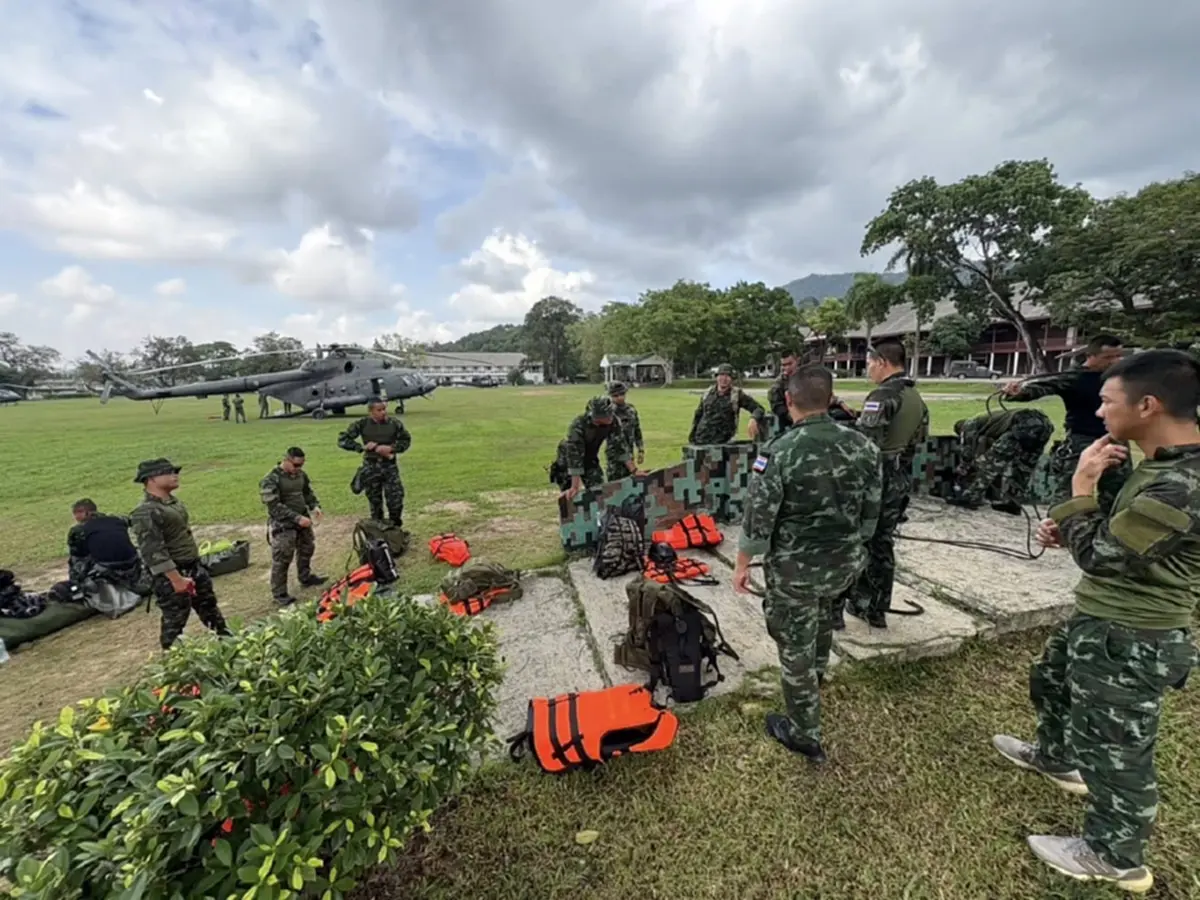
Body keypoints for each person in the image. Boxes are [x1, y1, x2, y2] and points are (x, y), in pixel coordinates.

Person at [992, 349, 1200, 893]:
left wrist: (1080, 493)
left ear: (1148, 405)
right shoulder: (1160, 466)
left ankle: (1116, 855)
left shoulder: (1183, 483)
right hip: (1102, 614)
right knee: (1052, 680)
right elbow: (1121, 541)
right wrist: (1076, 527)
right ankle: (1056, 758)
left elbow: (1106, 555)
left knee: (1117, 749)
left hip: (1132, 633)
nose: (1100, 413)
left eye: (1108, 402)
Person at [733, 365, 882, 764]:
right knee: (823, 619)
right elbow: (871, 514)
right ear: (830, 399)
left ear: (788, 401)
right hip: (845, 564)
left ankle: (804, 732)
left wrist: (742, 565)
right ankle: (816, 677)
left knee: (794, 644)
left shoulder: (780, 451)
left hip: (796, 571)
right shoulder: (864, 446)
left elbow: (758, 519)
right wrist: (856, 549)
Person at [834, 339, 928, 629]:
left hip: (875, 481)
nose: (869, 370)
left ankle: (834, 612)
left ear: (883, 362)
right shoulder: (915, 397)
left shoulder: (882, 395)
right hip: (899, 478)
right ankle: (875, 608)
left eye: (870, 364)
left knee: (852, 541)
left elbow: (865, 445)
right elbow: (918, 441)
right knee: (882, 545)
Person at [1002, 333, 1132, 513]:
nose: (1115, 361)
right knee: (1068, 496)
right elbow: (1041, 388)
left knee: (1117, 495)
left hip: (1115, 441)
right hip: (1082, 441)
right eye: (1108, 357)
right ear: (1090, 356)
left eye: (1118, 356)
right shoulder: (1073, 377)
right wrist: (1016, 393)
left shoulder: (1121, 378)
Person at [129, 458, 232, 651]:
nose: (175, 475)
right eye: (168, 472)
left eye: (175, 471)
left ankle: (227, 641)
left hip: (193, 566)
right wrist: (176, 579)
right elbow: (152, 551)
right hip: (173, 573)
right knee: (175, 620)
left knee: (210, 608)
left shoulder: (172, 503)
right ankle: (174, 660)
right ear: (150, 479)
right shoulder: (145, 511)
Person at [948, 408, 1054, 513]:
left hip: (1023, 425)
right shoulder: (989, 419)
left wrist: (963, 467)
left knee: (990, 465)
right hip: (1045, 426)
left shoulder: (969, 424)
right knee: (1023, 469)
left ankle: (971, 498)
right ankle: (1013, 503)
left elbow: (967, 450)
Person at [259, 447, 326, 605]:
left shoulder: (301, 475)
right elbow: (274, 506)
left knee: (307, 548)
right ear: (286, 460)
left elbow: (307, 492)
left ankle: (305, 576)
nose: (298, 469)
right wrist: (296, 518)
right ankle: (279, 593)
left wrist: (314, 506)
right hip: (284, 524)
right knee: (282, 558)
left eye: (301, 465)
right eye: (295, 465)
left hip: (302, 519)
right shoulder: (271, 479)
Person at [337, 398, 412, 525]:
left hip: (389, 467)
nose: (383, 412)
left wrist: (391, 448)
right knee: (375, 502)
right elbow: (342, 440)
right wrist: (361, 448)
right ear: (371, 412)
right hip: (371, 467)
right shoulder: (362, 424)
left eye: (384, 409)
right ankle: (378, 530)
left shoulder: (394, 424)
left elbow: (406, 441)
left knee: (396, 500)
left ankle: (395, 530)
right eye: (379, 410)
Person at [64, 498, 146, 595]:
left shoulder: (79, 530)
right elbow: (131, 521)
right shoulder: (116, 519)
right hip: (132, 563)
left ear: (86, 513)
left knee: (77, 560)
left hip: (107, 569)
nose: (75, 517)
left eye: (77, 513)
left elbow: (77, 555)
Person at [553, 396, 623, 499]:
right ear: (596, 416)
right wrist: (575, 486)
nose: (610, 418)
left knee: (599, 491)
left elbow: (620, 445)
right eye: (607, 416)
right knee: (571, 495)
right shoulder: (578, 425)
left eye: (611, 414)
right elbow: (574, 456)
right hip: (568, 461)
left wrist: (634, 470)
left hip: (590, 457)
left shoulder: (614, 421)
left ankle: (598, 514)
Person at [688, 363, 765, 445]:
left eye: (727, 376)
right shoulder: (708, 393)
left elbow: (758, 408)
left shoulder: (736, 395)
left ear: (731, 379)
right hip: (701, 440)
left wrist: (753, 419)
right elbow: (698, 415)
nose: (724, 379)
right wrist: (692, 437)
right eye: (721, 375)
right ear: (717, 377)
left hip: (723, 443)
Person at [605, 382, 644, 482]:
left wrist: (640, 449)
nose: (619, 398)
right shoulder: (609, 413)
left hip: (629, 453)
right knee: (614, 485)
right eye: (615, 395)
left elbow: (637, 430)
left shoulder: (631, 410)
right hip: (615, 457)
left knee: (629, 483)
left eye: (621, 394)